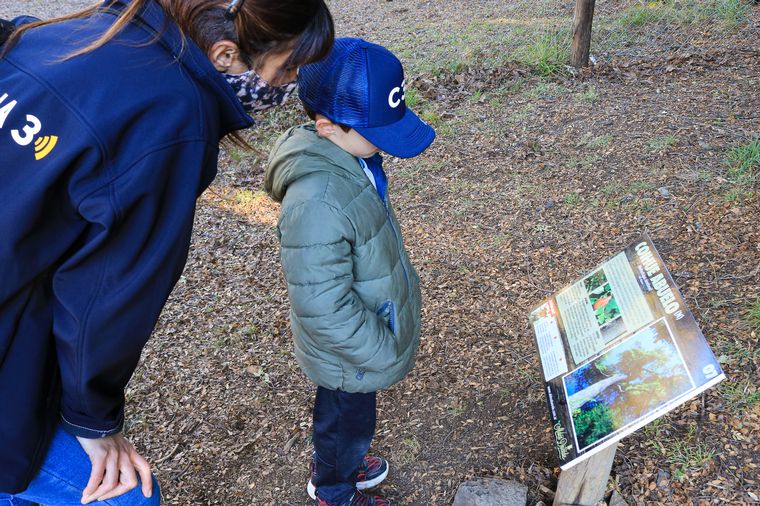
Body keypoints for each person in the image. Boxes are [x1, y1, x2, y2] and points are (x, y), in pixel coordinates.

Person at [0, 0, 333, 504]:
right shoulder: (174, 119)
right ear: (224, 54)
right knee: (130, 496)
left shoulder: (92, 27)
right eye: (288, 68)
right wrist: (93, 422)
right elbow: (109, 290)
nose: (290, 84)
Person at [264, 38, 435, 506]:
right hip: (349, 351)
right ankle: (334, 490)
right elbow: (320, 303)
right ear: (326, 126)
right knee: (341, 420)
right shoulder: (318, 200)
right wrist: (379, 348)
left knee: (353, 416)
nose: (381, 144)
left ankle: (346, 461)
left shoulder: (352, 159)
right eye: (375, 131)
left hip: (361, 341)